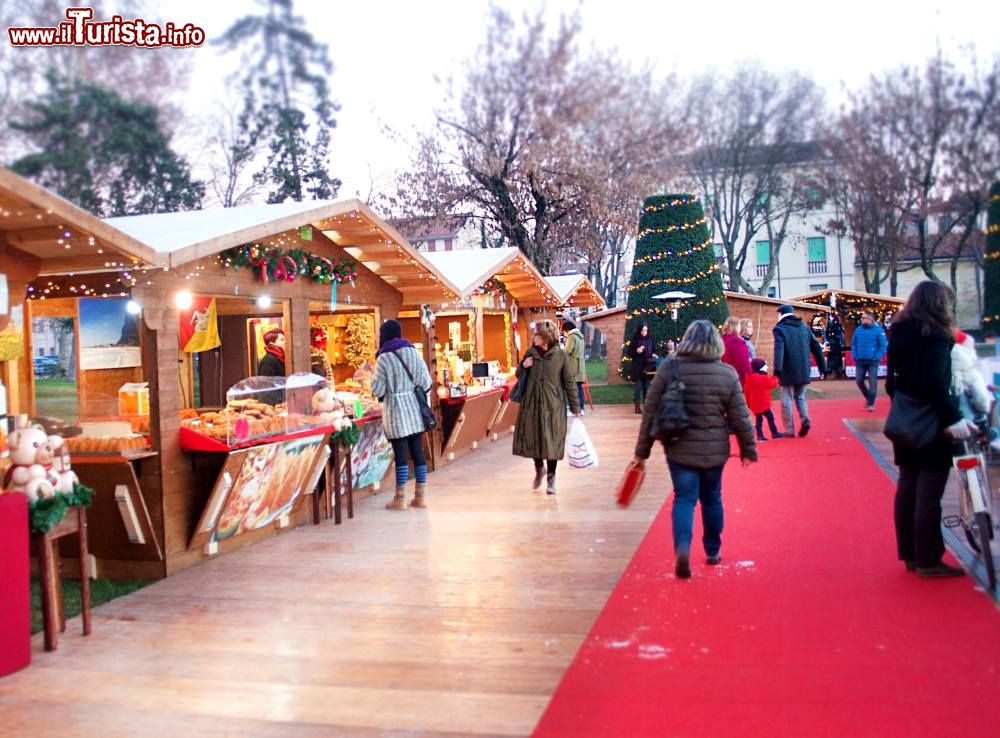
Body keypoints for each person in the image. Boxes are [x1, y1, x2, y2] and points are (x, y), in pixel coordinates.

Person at [632, 320, 757, 579]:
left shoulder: (669, 369)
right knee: (712, 498)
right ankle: (712, 549)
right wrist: (748, 448)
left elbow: (650, 412)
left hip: (679, 448)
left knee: (684, 499)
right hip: (715, 449)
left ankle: (682, 548)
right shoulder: (726, 374)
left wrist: (641, 454)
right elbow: (740, 416)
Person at [886, 281, 977, 577]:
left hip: (906, 418)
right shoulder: (936, 335)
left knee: (908, 487)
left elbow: (891, 381)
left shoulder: (898, 332)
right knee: (929, 494)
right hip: (934, 420)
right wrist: (953, 420)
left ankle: (911, 556)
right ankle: (928, 558)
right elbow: (937, 383)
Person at [370, 319, 434, 510]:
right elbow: (427, 382)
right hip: (415, 410)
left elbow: (378, 389)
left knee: (401, 455)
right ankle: (420, 497)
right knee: (417, 452)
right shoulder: (413, 353)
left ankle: (400, 498)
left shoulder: (383, 358)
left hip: (396, 412)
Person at [513, 319, 580, 495]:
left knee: (552, 441)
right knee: (533, 438)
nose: (533, 337)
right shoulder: (530, 353)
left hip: (553, 406)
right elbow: (518, 374)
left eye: (536, 334)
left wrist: (575, 406)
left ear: (545, 337)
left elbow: (569, 382)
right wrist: (523, 366)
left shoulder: (561, 356)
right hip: (532, 404)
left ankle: (551, 477)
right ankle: (539, 468)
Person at [772, 304, 827, 437]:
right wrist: (822, 366)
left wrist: (777, 369)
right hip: (803, 368)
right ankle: (805, 419)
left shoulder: (780, 329)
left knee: (787, 398)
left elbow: (779, 349)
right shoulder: (804, 327)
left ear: (780, 314)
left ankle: (789, 429)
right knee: (801, 397)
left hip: (787, 369)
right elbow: (816, 348)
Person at [850, 311, 887, 411]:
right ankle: (869, 397)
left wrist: (877, 356)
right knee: (859, 381)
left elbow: (883, 345)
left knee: (872, 382)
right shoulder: (858, 330)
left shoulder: (879, 330)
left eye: (864, 318)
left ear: (870, 319)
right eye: (862, 318)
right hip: (860, 360)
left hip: (873, 361)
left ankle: (871, 404)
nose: (862, 320)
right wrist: (855, 355)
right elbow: (853, 343)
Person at [745, 357, 783, 441]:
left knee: (759, 420)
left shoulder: (749, 378)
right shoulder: (763, 378)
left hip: (754, 404)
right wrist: (776, 377)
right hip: (764, 404)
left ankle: (760, 435)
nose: (766, 367)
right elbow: (772, 383)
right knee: (770, 417)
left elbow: (746, 391)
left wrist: (748, 403)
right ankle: (774, 432)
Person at [627, 323, 655, 414]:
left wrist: (654, 354)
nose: (644, 332)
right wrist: (637, 351)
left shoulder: (650, 339)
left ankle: (646, 407)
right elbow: (629, 353)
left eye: (646, 330)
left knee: (646, 387)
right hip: (638, 366)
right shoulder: (635, 340)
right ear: (640, 330)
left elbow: (653, 350)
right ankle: (637, 406)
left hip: (647, 367)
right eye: (643, 330)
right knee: (638, 387)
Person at [561, 319, 587, 415]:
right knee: (578, 388)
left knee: (573, 389)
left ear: (567, 330)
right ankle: (581, 409)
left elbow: (567, 351)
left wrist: (562, 349)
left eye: (564, 332)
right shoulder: (580, 337)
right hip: (580, 366)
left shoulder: (572, 337)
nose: (564, 335)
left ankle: (576, 409)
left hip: (573, 366)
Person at [721, 316, 752, 386]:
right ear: (737, 327)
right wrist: (751, 376)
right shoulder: (737, 343)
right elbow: (744, 364)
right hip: (736, 380)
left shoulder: (720, 341)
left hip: (722, 378)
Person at [824, 314, 846, 379]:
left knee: (836, 359)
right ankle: (834, 372)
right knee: (833, 359)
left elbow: (842, 336)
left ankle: (836, 372)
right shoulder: (835, 328)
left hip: (836, 346)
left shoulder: (838, 328)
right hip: (834, 346)